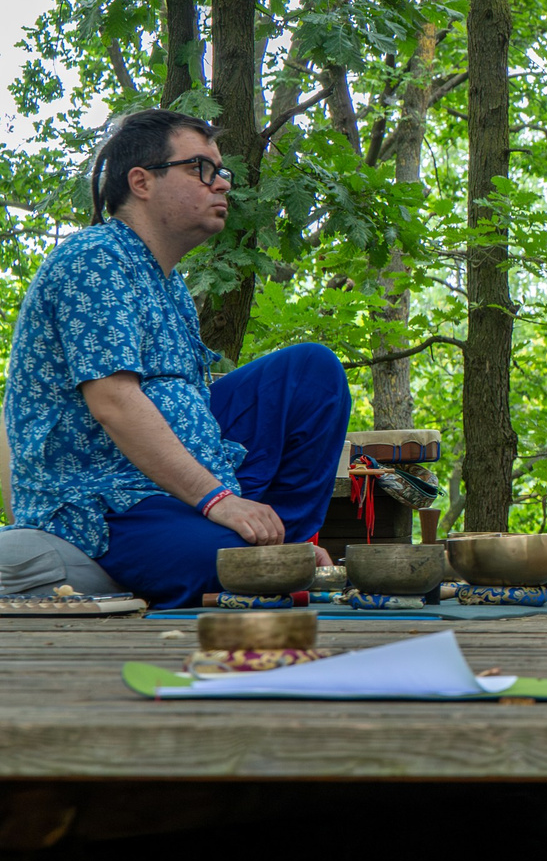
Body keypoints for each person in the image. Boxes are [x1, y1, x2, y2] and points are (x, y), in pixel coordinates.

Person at [2, 109, 349, 608]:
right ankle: (255, 559)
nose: (222, 184)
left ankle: (279, 543)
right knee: (226, 561)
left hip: (181, 485)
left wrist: (225, 496)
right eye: (200, 169)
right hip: (103, 500)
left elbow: (186, 407)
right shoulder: (93, 258)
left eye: (221, 171)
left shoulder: (171, 285)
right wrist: (218, 499)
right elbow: (113, 402)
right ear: (141, 182)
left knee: (311, 372)